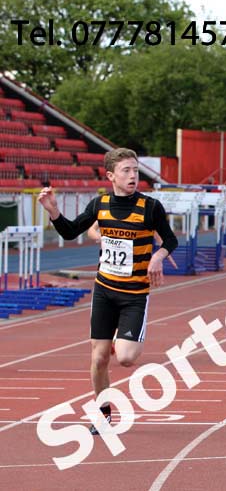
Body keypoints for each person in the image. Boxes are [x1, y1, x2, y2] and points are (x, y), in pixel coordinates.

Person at [37, 148, 178, 434]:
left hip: (134, 295)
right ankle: (102, 415)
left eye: (136, 171)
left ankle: (121, 336)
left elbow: (171, 240)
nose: (133, 176)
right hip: (104, 290)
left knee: (125, 357)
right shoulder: (99, 205)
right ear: (111, 175)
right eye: (126, 171)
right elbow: (69, 231)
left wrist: (157, 256)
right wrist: (53, 211)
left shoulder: (150, 207)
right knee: (99, 358)